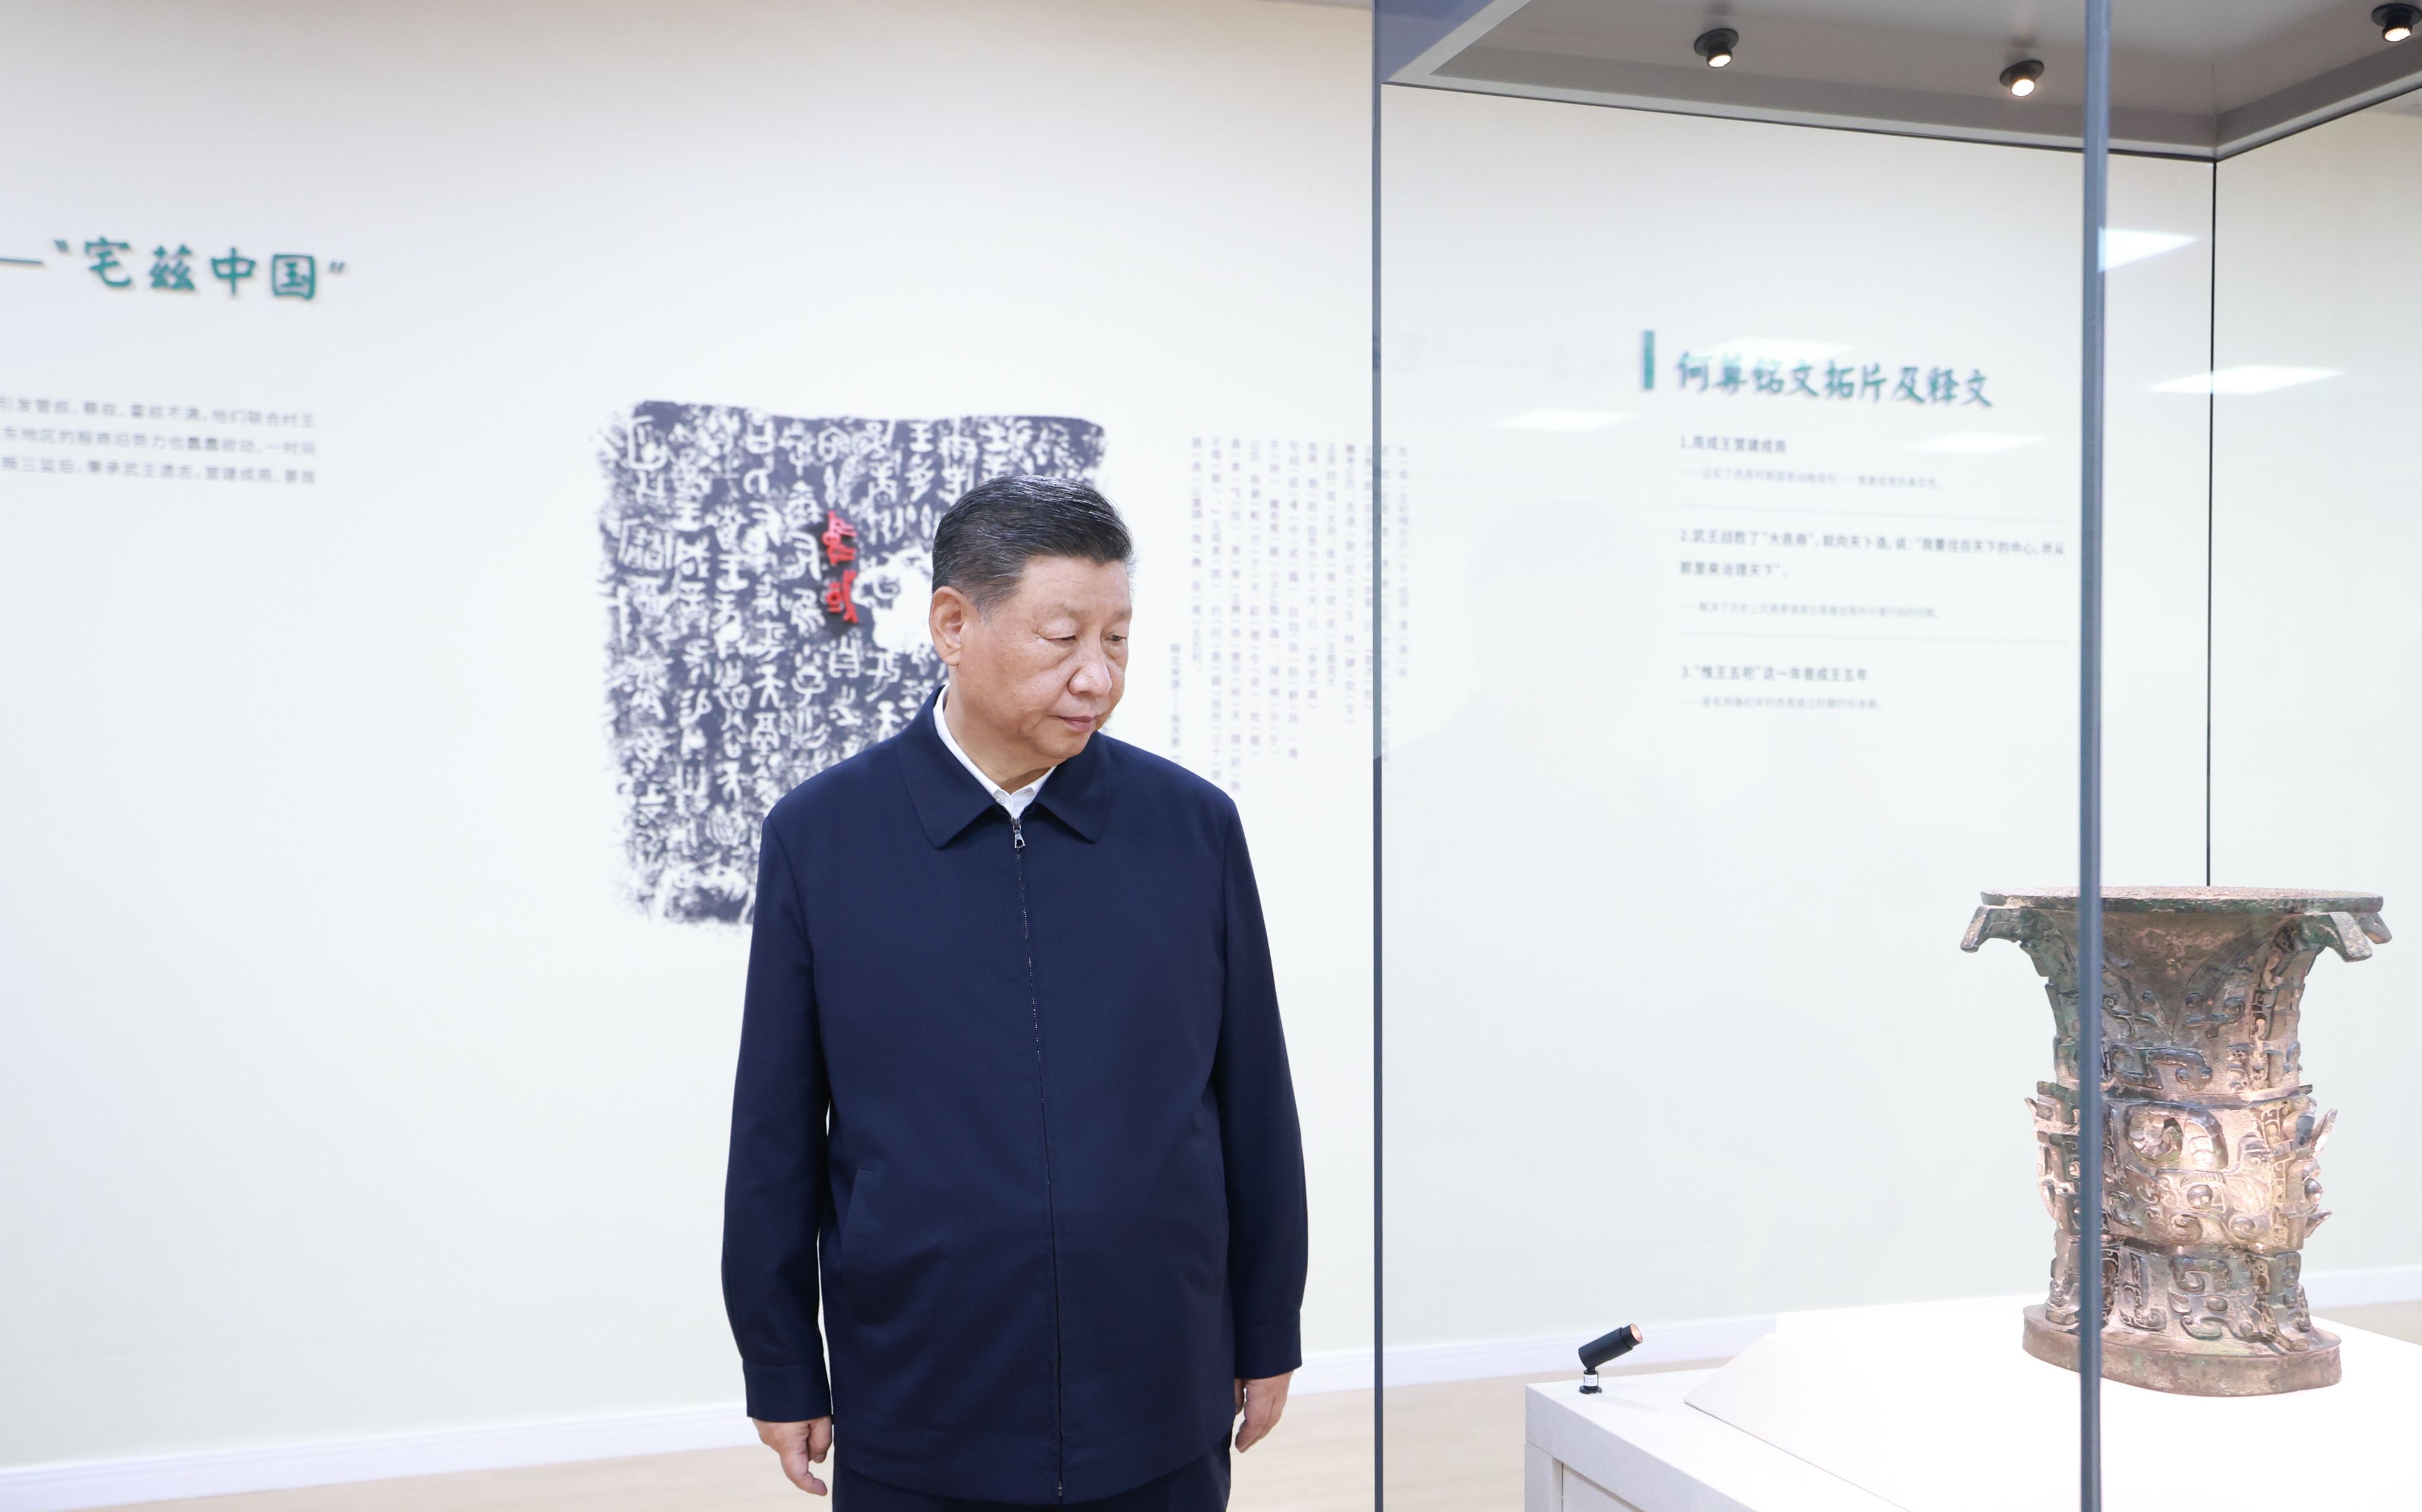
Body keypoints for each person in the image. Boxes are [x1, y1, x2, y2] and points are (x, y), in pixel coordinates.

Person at [722, 475, 1309, 1510]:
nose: (1098, 676)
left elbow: (1253, 1100)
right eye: (1063, 637)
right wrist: (779, 1359)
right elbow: (776, 1129)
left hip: (1158, 1388)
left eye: (1118, 640)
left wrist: (1268, 1327)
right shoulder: (823, 836)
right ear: (954, 623)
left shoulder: (1192, 828)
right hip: (921, 1394)